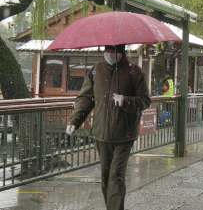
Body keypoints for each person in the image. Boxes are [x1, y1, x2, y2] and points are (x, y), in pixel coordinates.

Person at [65, 44, 151, 210]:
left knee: (116, 176)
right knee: (105, 177)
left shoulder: (134, 72)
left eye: (113, 51)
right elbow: (85, 99)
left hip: (124, 134)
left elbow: (145, 101)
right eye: (107, 50)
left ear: (121, 52)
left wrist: (126, 100)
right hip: (101, 133)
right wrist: (75, 121)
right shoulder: (96, 71)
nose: (109, 54)